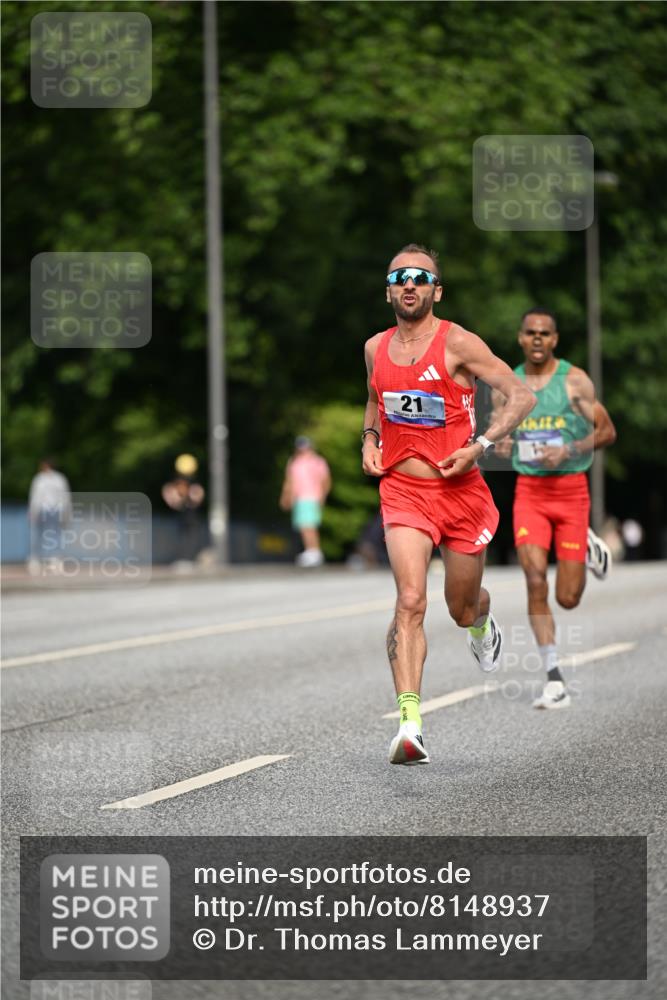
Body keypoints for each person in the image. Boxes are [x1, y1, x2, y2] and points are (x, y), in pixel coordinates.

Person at [362, 244, 536, 765]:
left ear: (436, 291)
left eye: (420, 277)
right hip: (403, 491)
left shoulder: (457, 342)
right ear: (389, 289)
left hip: (460, 493)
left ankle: (482, 622)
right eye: (399, 277)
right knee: (410, 600)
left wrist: (480, 446)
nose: (409, 284)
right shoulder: (374, 347)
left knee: (460, 609)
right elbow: (374, 399)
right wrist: (370, 440)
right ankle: (410, 723)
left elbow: (519, 394)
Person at [493, 307, 617, 709]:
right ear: (520, 337)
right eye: (531, 333)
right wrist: (503, 444)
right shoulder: (508, 385)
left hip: (570, 493)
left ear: (555, 339)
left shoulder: (573, 381)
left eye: (545, 333)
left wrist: (570, 448)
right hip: (529, 492)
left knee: (567, 598)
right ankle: (553, 677)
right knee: (533, 581)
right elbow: (497, 436)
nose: (537, 339)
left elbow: (607, 430)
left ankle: (585, 543)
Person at [280, 437, 332, 567]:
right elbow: (289, 481)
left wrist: (322, 496)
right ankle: (311, 550)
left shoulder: (318, 462)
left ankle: (314, 551)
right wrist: (286, 496)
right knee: (304, 525)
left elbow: (326, 480)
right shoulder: (294, 462)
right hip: (299, 497)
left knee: (308, 525)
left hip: (311, 496)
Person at [28, 458, 72, 572]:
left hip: (51, 510)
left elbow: (64, 496)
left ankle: (51, 559)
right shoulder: (43, 479)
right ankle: (41, 558)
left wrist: (32, 511)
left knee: (51, 534)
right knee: (44, 534)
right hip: (47, 510)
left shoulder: (51, 479)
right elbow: (36, 497)